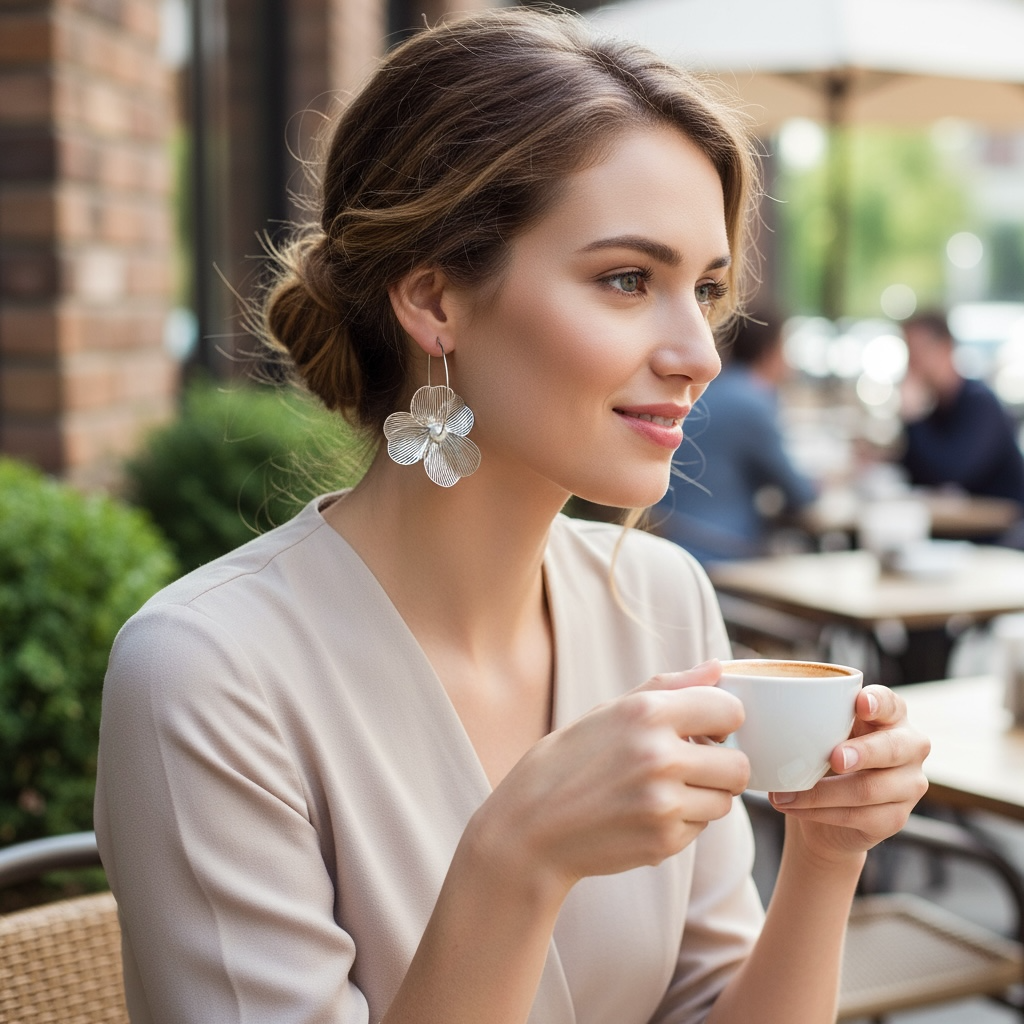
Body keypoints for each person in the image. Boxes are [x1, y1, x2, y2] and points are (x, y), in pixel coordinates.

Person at [94, 11, 929, 1024]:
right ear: (434, 301)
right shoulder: (206, 672)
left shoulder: (661, 602)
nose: (699, 351)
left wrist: (827, 854)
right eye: (627, 279)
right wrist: (515, 857)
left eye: (703, 288)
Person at [652, 311, 817, 564]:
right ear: (769, 350)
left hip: (668, 537)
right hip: (722, 550)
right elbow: (799, 493)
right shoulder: (751, 403)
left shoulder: (706, 392)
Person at [899, 310, 1024, 506]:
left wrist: (913, 417)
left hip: (1004, 528)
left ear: (946, 348)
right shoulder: (936, 407)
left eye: (919, 351)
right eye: (909, 352)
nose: (913, 363)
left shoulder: (980, 403)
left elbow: (949, 473)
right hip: (965, 525)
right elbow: (916, 474)